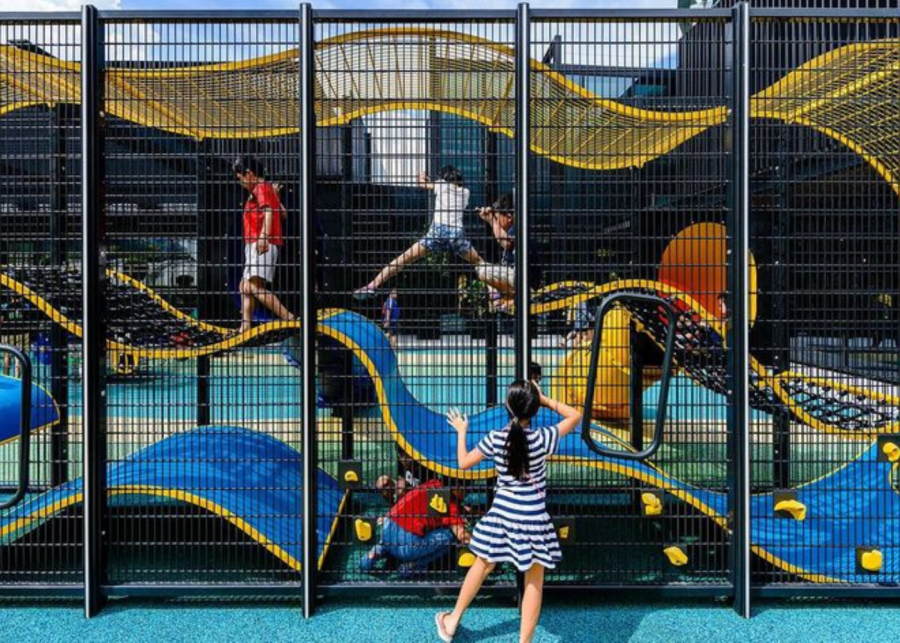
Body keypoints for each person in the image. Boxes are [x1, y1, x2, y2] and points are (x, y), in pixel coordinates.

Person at [437, 381, 582, 643]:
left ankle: (452, 620)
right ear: (534, 409)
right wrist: (546, 399)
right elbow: (575, 415)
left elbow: (463, 462)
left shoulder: (495, 438)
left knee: (482, 565)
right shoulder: (542, 438)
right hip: (534, 516)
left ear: (507, 406)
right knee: (534, 580)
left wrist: (462, 430)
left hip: (502, 514)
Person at [353, 166, 483, 300]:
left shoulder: (442, 185)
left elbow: (422, 184)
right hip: (456, 233)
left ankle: (372, 285)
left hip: (437, 231)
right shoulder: (466, 192)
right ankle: (494, 293)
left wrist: (421, 175)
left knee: (403, 259)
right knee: (479, 262)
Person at [234, 156, 295, 334]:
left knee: (253, 287)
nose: (241, 184)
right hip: (255, 243)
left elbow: (269, 212)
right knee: (243, 285)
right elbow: (283, 214)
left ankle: (288, 316)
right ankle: (245, 325)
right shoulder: (267, 189)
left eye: (241, 179)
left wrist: (264, 236)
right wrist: (276, 197)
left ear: (249, 174)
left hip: (260, 242)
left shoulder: (260, 188)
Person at [360, 479, 471, 576]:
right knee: (450, 537)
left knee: (393, 537)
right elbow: (461, 535)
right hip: (407, 546)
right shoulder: (450, 505)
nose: (465, 496)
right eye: (466, 491)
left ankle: (374, 553)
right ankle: (414, 566)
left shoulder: (432, 484)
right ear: (459, 489)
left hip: (386, 530)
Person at [475, 192, 516, 298]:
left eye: (498, 218)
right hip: (515, 274)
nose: (496, 222)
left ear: (509, 217)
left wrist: (492, 221)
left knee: (484, 270)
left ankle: (514, 295)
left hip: (521, 276)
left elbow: (507, 243)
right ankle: (504, 298)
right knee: (484, 267)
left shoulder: (515, 228)